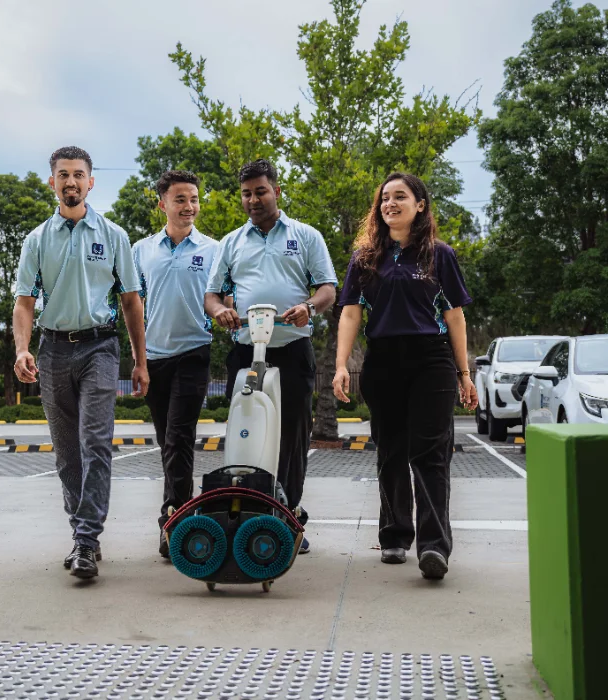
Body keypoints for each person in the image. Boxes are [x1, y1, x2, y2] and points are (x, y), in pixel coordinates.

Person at [332, 172, 478, 580]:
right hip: (383, 362)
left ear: (420, 205)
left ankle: (434, 548)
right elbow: (350, 313)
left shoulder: (439, 255)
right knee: (391, 451)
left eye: (401, 197)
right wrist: (342, 365)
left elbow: (454, 316)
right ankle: (395, 535)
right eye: (384, 199)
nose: (390, 204)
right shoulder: (365, 258)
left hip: (431, 360)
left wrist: (464, 375)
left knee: (430, 453)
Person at [13, 146, 147, 580]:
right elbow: (24, 302)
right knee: (68, 456)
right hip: (53, 351)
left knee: (96, 446)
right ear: (52, 182)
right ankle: (82, 534)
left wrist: (139, 361)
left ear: (91, 182)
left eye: (79, 174)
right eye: (63, 174)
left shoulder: (113, 236)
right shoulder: (36, 240)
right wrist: (22, 348)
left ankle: (86, 541)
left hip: (100, 349)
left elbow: (130, 301)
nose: (71, 181)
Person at [205, 158, 337, 553]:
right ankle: (244, 512)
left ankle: (290, 518)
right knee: (245, 432)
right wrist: (220, 312)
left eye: (260, 191)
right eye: (246, 193)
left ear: (277, 191)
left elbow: (328, 288)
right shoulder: (231, 243)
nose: (253, 199)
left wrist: (309, 308)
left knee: (292, 437)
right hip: (246, 351)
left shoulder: (305, 236)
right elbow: (212, 294)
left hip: (292, 349)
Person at [131, 170, 220, 559]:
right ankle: (178, 512)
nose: (189, 207)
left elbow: (223, 297)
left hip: (194, 353)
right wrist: (139, 360)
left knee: (179, 437)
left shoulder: (214, 249)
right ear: (162, 203)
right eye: (181, 199)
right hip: (155, 358)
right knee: (167, 438)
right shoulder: (142, 250)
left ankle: (175, 522)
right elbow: (134, 305)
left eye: (194, 199)